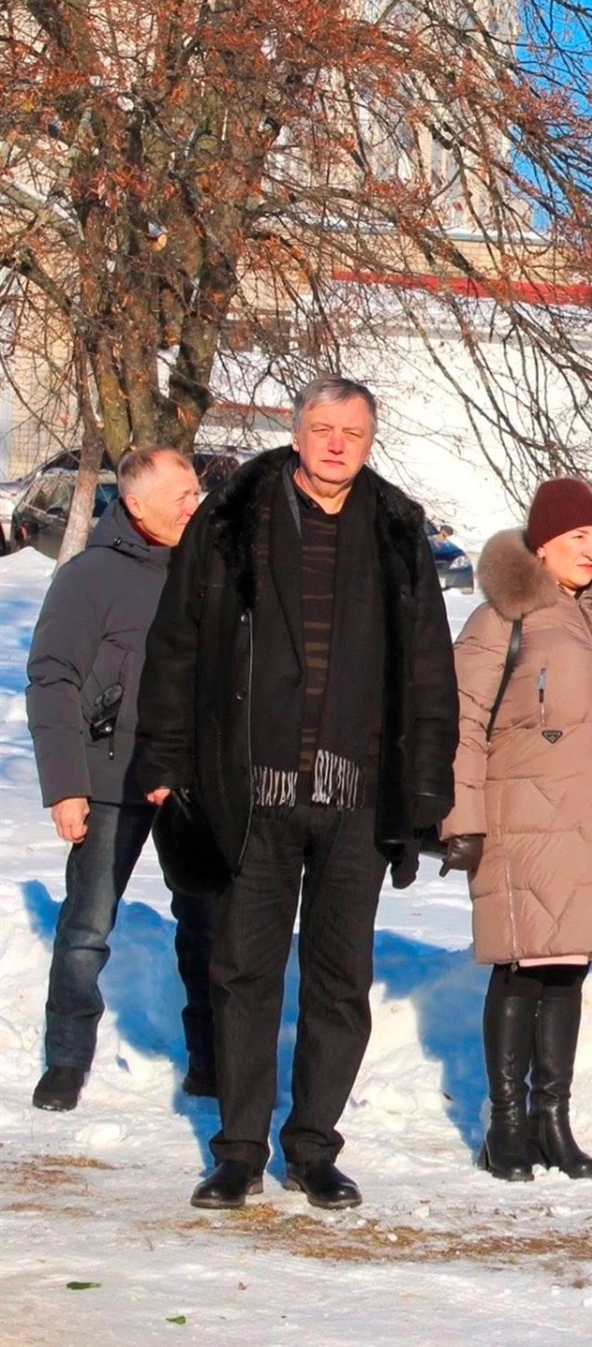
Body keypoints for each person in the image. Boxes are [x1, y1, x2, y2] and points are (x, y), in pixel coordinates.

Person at [138, 376, 458, 1211]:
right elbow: (176, 646)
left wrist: (425, 792)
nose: (337, 444)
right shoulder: (232, 518)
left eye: (353, 430)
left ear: (371, 437)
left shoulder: (396, 530)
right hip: (253, 788)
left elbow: (429, 671)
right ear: (297, 431)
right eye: (323, 428)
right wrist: (167, 768)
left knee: (339, 978)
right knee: (243, 969)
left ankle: (313, 1147)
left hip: (357, 795)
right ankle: (239, 1150)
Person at [438, 478, 592, 1182]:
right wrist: (462, 819)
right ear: (541, 543)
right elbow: (459, 724)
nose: (590, 550)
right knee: (520, 965)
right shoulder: (500, 621)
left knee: (569, 968)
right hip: (521, 823)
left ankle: (554, 1120)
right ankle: (506, 1126)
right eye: (577, 537)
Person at [26, 447, 218, 1111]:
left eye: (198, 493)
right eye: (183, 497)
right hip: (110, 777)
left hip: (192, 780)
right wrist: (65, 786)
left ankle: (212, 1063)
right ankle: (66, 1060)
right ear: (136, 505)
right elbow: (52, 678)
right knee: (87, 926)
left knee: (207, 927)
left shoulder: (211, 570)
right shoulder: (90, 577)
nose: (197, 505)